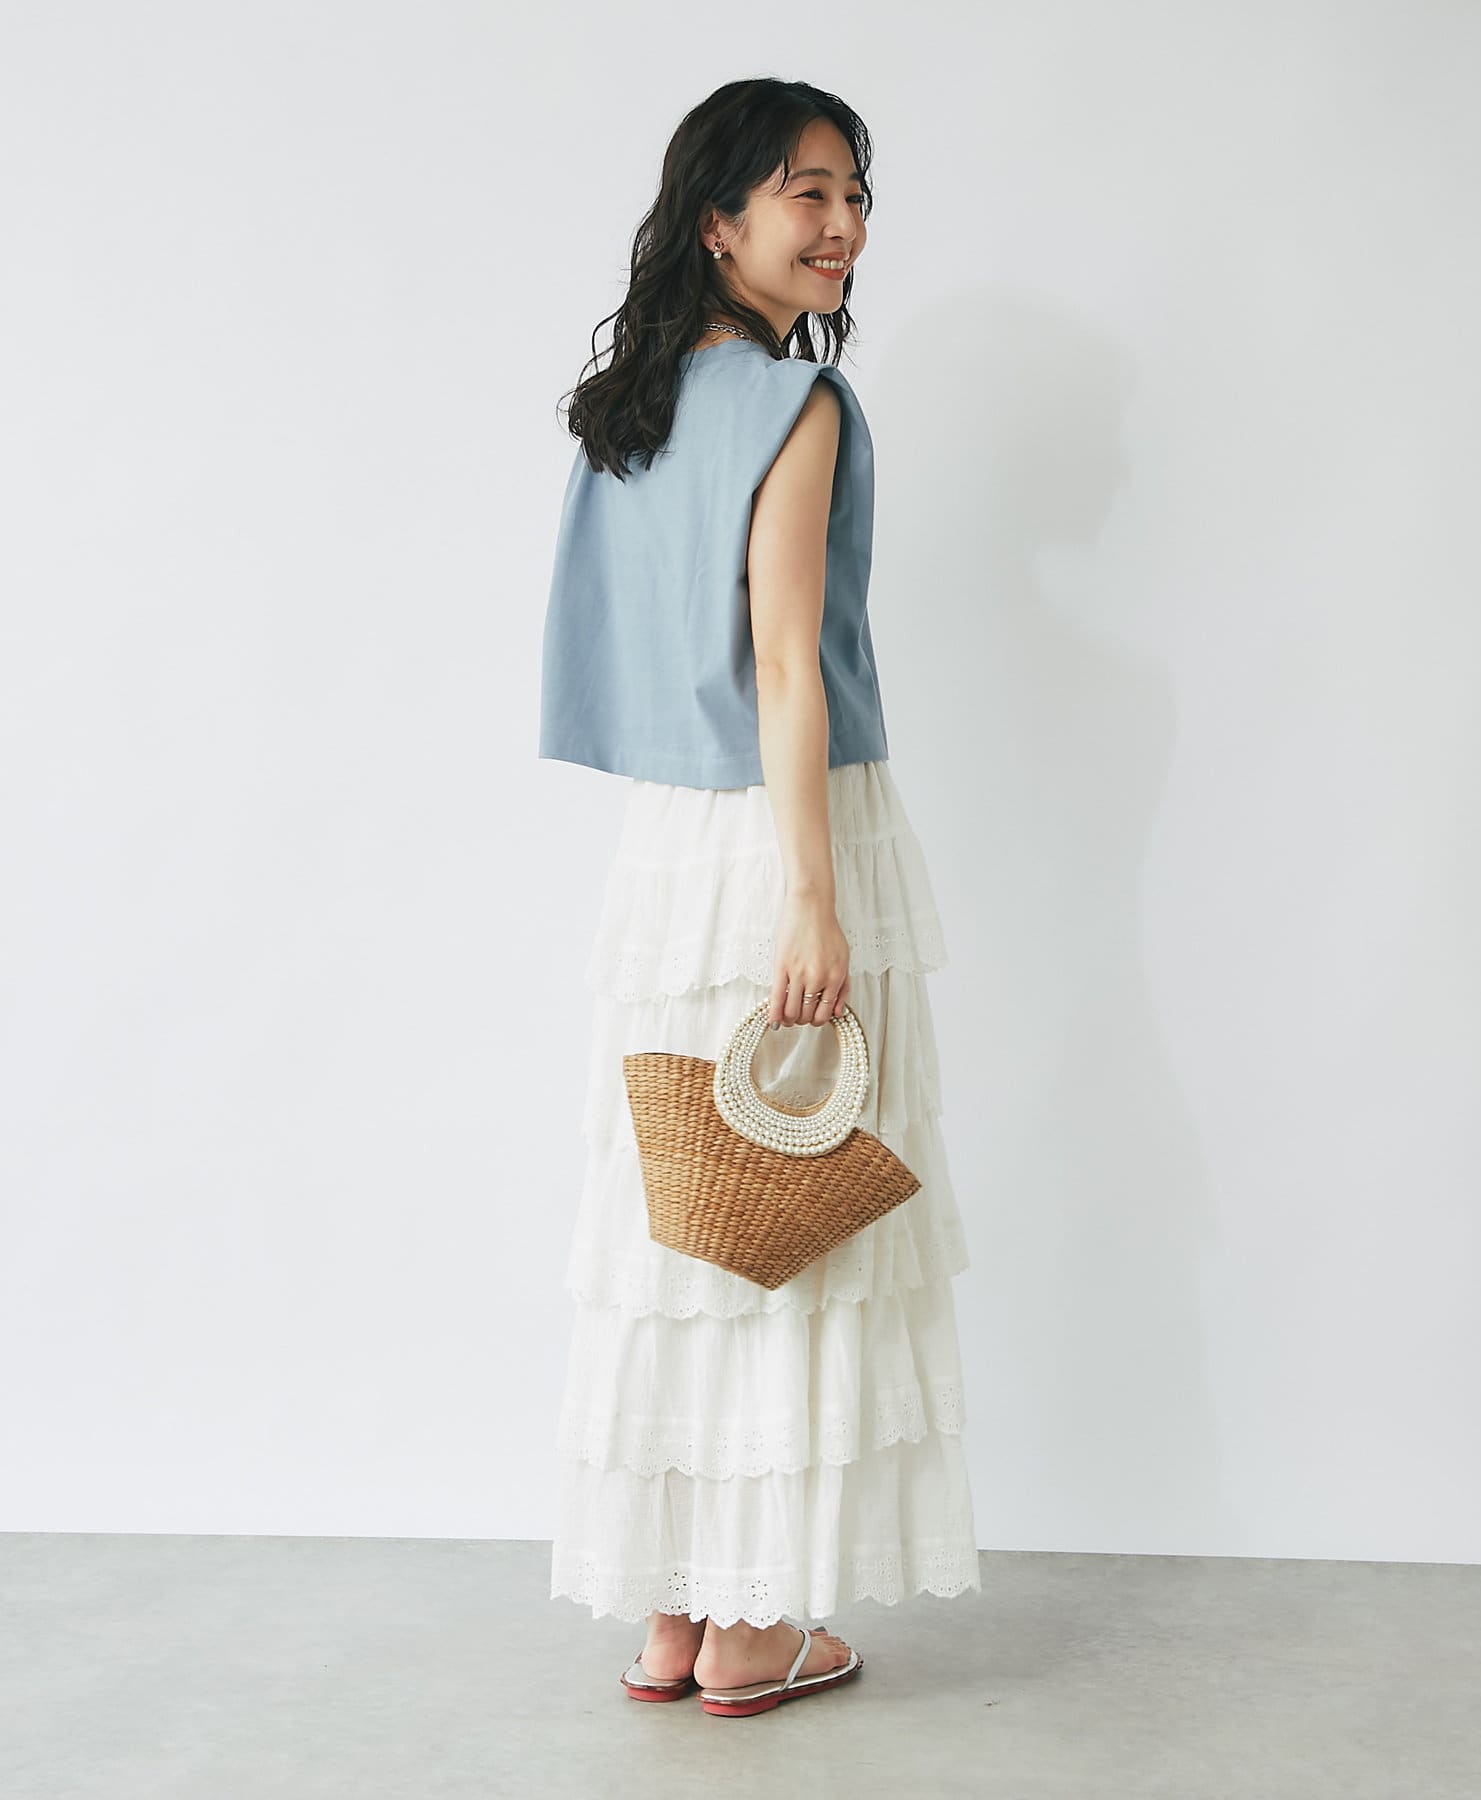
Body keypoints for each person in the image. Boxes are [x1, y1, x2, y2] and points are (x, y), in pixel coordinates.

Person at [538, 76, 980, 1717]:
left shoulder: (636, 411)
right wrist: (815, 896)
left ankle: (672, 1615)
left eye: (855, 194)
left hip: (669, 847)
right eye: (808, 192)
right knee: (800, 1219)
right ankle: (754, 1627)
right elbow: (786, 666)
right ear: (720, 221)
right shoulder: (800, 406)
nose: (843, 223)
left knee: (691, 1219)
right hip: (789, 827)